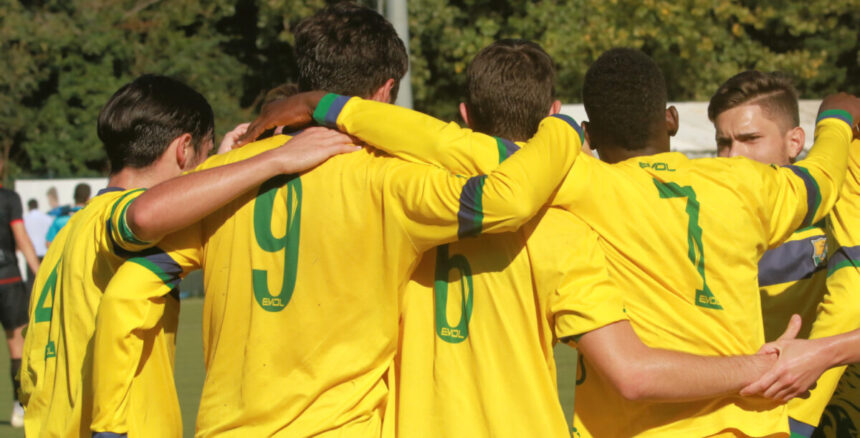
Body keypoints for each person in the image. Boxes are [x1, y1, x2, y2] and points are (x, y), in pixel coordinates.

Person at [245, 48, 860, 437]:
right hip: (756, 426)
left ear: (587, 129)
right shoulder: (749, 186)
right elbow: (822, 179)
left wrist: (331, 106)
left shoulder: (579, 185)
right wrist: (836, 117)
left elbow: (452, 145)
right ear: (672, 119)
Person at [90, 4, 586, 437]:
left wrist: (109, 425)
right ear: (385, 92)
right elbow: (507, 195)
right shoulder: (389, 180)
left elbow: (127, 294)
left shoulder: (224, 179)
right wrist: (562, 128)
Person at [18, 74, 354, 438]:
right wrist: (276, 159)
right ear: (183, 149)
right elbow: (143, 216)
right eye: (204, 156)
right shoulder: (112, 218)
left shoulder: (69, 232)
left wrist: (222, 162)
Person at [708, 70, 860, 438]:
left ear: (795, 142)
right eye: (724, 142)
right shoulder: (702, 227)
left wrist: (826, 352)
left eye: (750, 139)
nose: (734, 156)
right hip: (748, 424)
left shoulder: (836, 211)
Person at [0, 171, 40, 428]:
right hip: (8, 280)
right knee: (17, 345)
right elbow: (21, 237)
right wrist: (40, 273)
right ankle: (18, 407)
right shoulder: (9, 198)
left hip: (9, 281)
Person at [44, 183, 90, 247]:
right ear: (88, 198)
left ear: (74, 197)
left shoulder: (60, 219)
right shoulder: (91, 217)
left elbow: (48, 243)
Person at [23, 199, 51, 286]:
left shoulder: (25, 219)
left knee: (31, 281)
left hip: (31, 253)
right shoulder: (47, 218)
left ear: (28, 207)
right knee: (44, 279)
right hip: (44, 251)